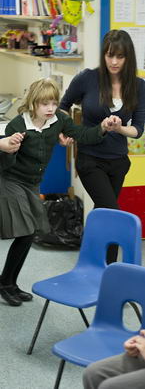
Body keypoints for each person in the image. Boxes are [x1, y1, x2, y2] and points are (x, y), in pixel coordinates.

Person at [0, 77, 117, 307]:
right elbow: (5, 163)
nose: (51, 108)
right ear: (33, 103)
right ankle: (6, 283)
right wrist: (10, 147)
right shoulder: (18, 125)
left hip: (32, 184)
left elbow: (82, 136)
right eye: (45, 104)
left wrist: (102, 127)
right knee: (24, 232)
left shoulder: (59, 120)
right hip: (11, 181)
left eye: (54, 102)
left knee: (30, 233)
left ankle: (8, 282)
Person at [59, 29, 145, 264]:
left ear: (128, 58)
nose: (114, 62)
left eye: (120, 56)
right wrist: (63, 131)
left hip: (118, 161)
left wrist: (119, 128)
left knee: (101, 214)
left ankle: (91, 264)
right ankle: (109, 268)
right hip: (90, 158)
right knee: (113, 214)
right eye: (109, 55)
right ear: (103, 56)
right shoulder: (87, 78)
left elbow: (138, 129)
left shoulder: (138, 85)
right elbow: (63, 107)